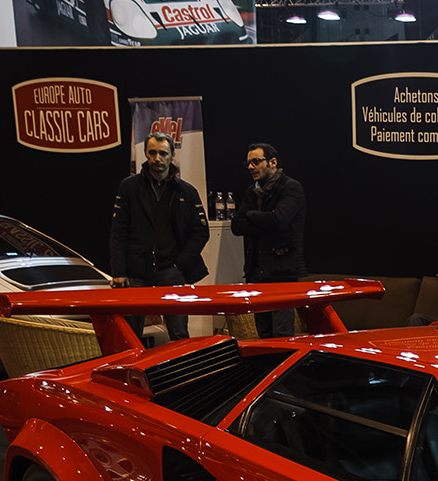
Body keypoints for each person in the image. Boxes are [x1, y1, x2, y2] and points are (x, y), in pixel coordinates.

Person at [108, 130, 209, 340]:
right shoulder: (129, 187)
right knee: (130, 335)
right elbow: (118, 231)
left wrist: (180, 265)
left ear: (172, 154)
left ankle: (182, 373)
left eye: (163, 153)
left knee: (179, 334)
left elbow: (201, 232)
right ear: (145, 153)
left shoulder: (186, 191)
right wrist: (119, 271)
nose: (157, 158)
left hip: (172, 270)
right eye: (152, 152)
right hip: (135, 272)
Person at [230, 142, 306, 338]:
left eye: (256, 161)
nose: (250, 167)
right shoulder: (251, 191)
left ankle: (285, 368)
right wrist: (264, 218)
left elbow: (279, 220)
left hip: (282, 271)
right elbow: (237, 226)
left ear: (272, 162)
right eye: (248, 163)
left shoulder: (291, 188)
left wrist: (252, 215)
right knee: (263, 332)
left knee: (282, 333)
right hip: (256, 269)